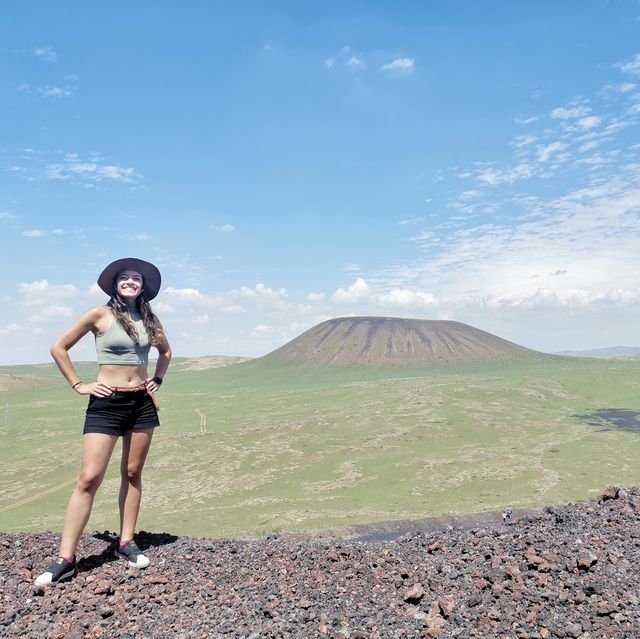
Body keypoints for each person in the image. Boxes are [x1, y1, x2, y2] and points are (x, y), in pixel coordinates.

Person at [35, 258, 171, 586]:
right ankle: (65, 559)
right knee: (88, 478)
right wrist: (79, 385)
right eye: (124, 277)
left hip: (141, 403)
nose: (129, 281)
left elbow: (166, 352)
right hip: (106, 404)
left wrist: (158, 380)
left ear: (143, 286)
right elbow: (59, 347)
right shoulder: (100, 314)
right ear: (114, 284)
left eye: (135, 278)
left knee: (132, 472)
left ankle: (126, 542)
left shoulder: (150, 318)